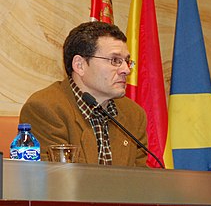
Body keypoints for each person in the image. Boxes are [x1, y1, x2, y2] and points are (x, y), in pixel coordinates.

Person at [19, 21, 148, 167]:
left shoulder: (134, 114)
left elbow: (141, 179)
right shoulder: (45, 109)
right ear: (80, 65)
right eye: (115, 60)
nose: (126, 70)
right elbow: (53, 181)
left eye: (127, 61)